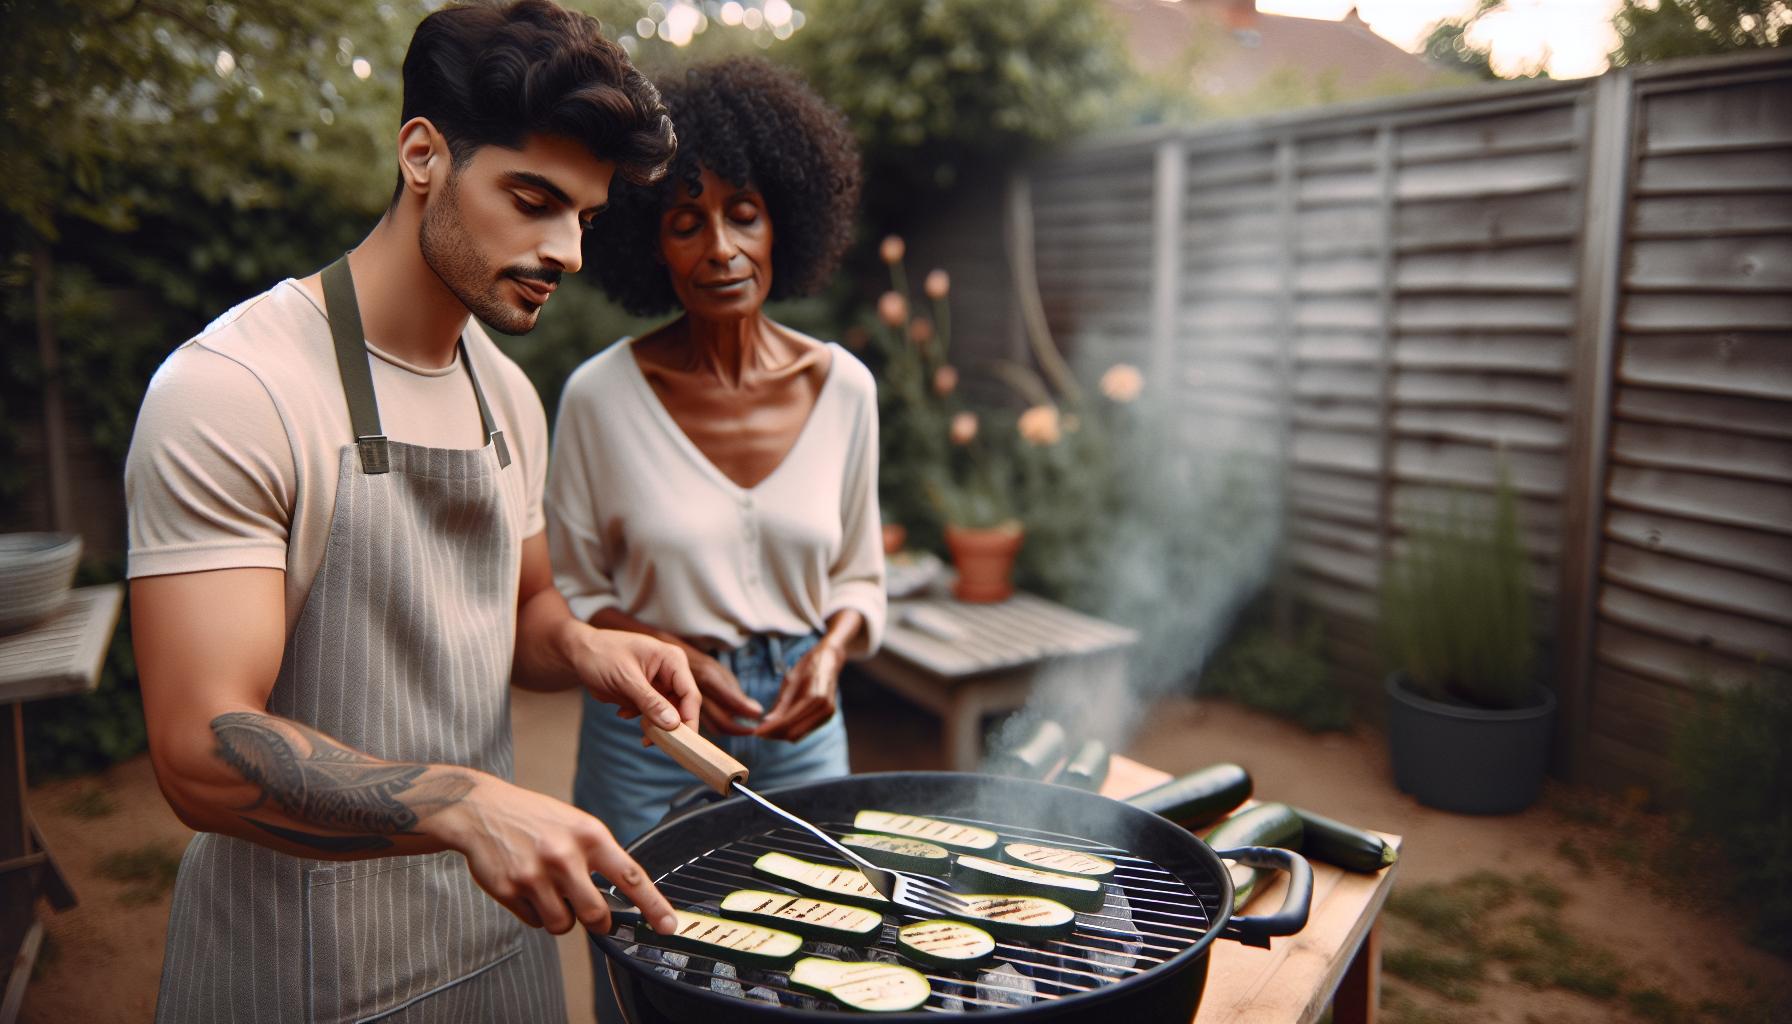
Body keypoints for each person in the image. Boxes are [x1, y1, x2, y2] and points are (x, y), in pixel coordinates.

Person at [124, 3, 700, 1019]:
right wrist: (466, 800)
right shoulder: (233, 388)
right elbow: (199, 752)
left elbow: (522, 617)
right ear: (423, 154)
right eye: (532, 199)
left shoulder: (508, 395)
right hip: (294, 971)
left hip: (495, 946)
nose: (566, 250)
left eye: (586, 218)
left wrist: (585, 646)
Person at [549, 56, 883, 848]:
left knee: (825, 943)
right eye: (686, 221)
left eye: (744, 213)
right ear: (653, 245)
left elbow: (862, 575)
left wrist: (830, 657)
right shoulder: (601, 397)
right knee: (643, 942)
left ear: (785, 224)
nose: (721, 248)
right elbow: (571, 586)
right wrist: (672, 653)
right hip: (652, 722)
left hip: (799, 725)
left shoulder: (845, 390)